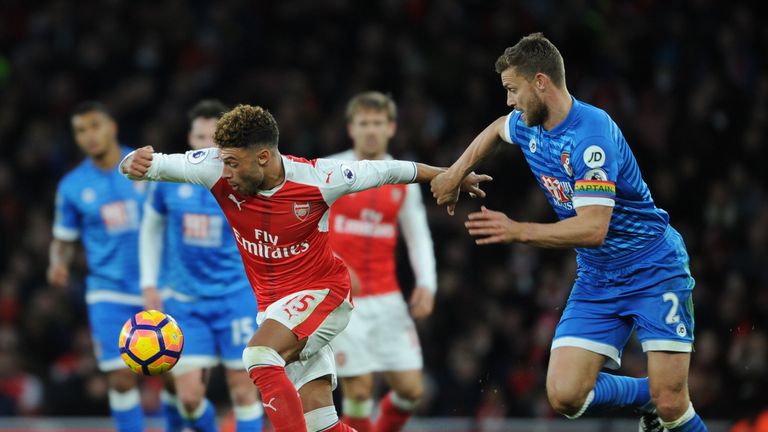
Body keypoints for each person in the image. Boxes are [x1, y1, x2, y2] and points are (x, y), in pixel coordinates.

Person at [120, 104, 489, 432]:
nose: (226, 170)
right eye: (224, 161)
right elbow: (156, 164)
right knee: (319, 422)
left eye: (233, 162)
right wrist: (132, 163)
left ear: (263, 157)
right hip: (275, 309)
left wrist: (451, 174)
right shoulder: (214, 167)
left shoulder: (316, 179)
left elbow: (385, 170)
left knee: (258, 355)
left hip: (323, 294)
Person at [430, 33, 707, 432]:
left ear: (540, 82)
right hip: (598, 276)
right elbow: (495, 129)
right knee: (565, 395)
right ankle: (648, 395)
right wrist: (455, 172)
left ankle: (661, 398)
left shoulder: (590, 137)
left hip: (653, 268)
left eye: (512, 90)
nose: (509, 101)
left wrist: (519, 231)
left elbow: (594, 228)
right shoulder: (531, 125)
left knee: (672, 404)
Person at [139, 100, 263, 431]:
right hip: (185, 302)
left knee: (244, 391)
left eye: (213, 137)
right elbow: (150, 230)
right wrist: (149, 283)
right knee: (190, 399)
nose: (206, 144)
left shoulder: (245, 182)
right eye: (199, 136)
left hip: (236, 298)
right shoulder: (168, 182)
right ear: (189, 139)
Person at [326, 92, 436, 432]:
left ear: (390, 128)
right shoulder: (330, 170)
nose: (371, 131)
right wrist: (332, 263)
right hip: (344, 300)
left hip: (388, 298)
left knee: (411, 390)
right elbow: (306, 228)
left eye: (377, 123)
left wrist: (427, 285)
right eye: (364, 124)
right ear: (351, 129)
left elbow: (418, 237)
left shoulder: (404, 177)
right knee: (359, 390)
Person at [48, 101, 153, 432]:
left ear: (112, 127)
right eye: (81, 130)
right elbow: (63, 239)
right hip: (109, 291)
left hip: (158, 286)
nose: (89, 136)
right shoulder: (73, 186)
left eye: (95, 126)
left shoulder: (147, 166)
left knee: (181, 381)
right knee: (121, 379)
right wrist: (57, 264)